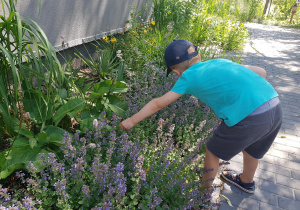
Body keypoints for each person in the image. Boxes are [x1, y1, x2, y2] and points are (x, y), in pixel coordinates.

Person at [120, 39, 282, 203]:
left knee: (212, 151)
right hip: (274, 106)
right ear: (198, 55)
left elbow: (157, 104)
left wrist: (131, 121)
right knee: (252, 149)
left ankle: (202, 195)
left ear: (176, 72)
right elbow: (261, 72)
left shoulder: (187, 77)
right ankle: (246, 182)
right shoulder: (218, 61)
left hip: (249, 118)